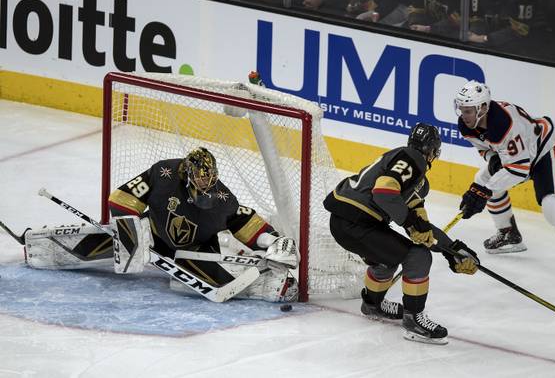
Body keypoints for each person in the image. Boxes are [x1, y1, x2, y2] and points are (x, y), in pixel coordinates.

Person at [24, 147, 300, 303]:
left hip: (194, 251)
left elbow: (248, 223)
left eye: (210, 182)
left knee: (217, 282)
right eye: (201, 182)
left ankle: (274, 286)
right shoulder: (164, 173)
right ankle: (45, 247)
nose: (206, 187)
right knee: (118, 243)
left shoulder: (224, 199)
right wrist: (131, 233)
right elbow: (122, 198)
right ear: (187, 174)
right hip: (152, 236)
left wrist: (274, 241)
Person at [323, 122, 480, 345]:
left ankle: (372, 304)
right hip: (356, 222)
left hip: (345, 222)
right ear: (432, 150)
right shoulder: (412, 159)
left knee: (387, 257)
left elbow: (422, 225)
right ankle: (414, 320)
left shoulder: (405, 171)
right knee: (417, 256)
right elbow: (384, 192)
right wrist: (411, 222)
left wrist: (451, 249)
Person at [454, 80, 555, 292]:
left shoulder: (504, 122)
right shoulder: (466, 124)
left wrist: (484, 191)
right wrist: (491, 161)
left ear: (482, 108)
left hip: (548, 150)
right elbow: (486, 149)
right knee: (482, 180)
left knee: (553, 207)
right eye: (461, 109)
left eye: (468, 110)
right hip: (521, 155)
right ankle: (509, 234)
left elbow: (520, 170)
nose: (463, 114)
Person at [467, 0, 538, 55]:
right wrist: (474, 35)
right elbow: (477, 18)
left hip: (522, 45)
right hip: (489, 38)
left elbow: (521, 30)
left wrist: (485, 39)